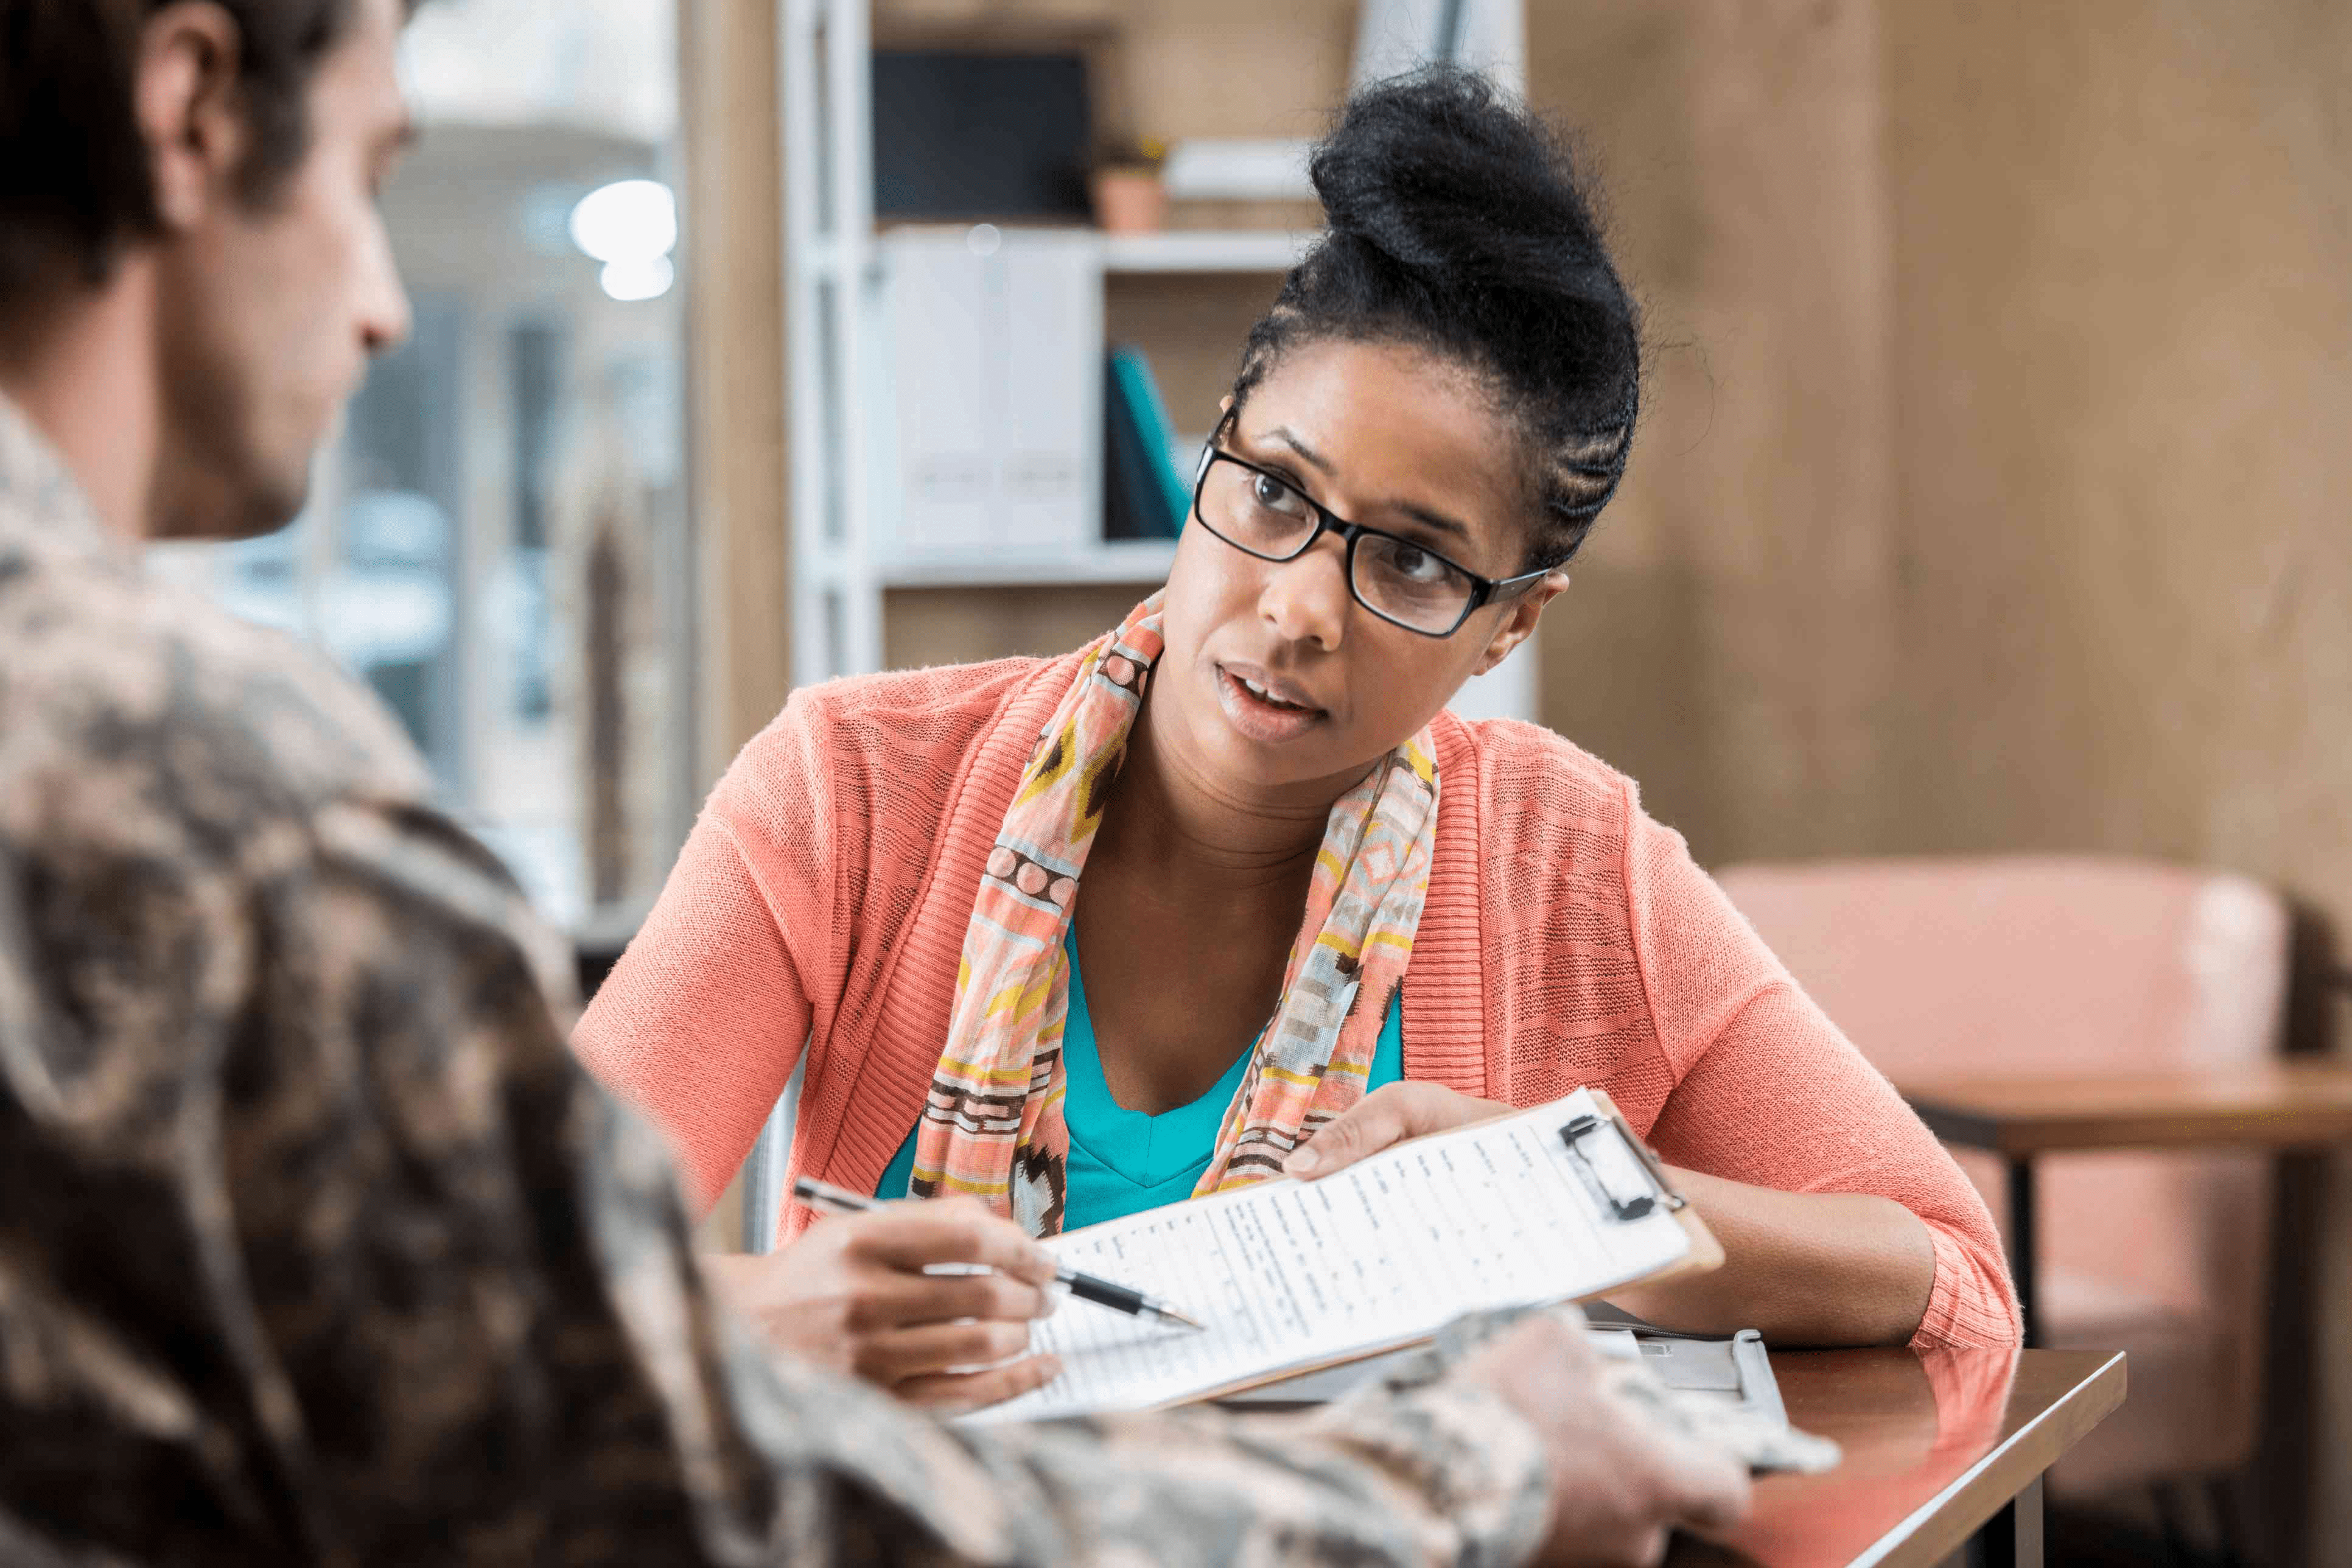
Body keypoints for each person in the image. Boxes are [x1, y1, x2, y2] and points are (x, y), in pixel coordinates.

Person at [0, 1, 1752, 1563]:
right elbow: (660, 1479)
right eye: (375, 177)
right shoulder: (225, 826)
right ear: (191, 108)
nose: (385, 307)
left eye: (1417, 566)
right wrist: (1463, 1483)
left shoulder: (1567, 834)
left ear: (1510, 620)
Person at [574, 68, 2023, 1412]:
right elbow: (494, 1291)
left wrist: (1572, 1199)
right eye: (1274, 491)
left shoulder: (1573, 864)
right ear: (1216, 444)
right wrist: (761, 1316)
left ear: (1510, 627)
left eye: (1410, 564)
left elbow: (1954, 1284)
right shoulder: (850, 791)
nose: (1299, 607)